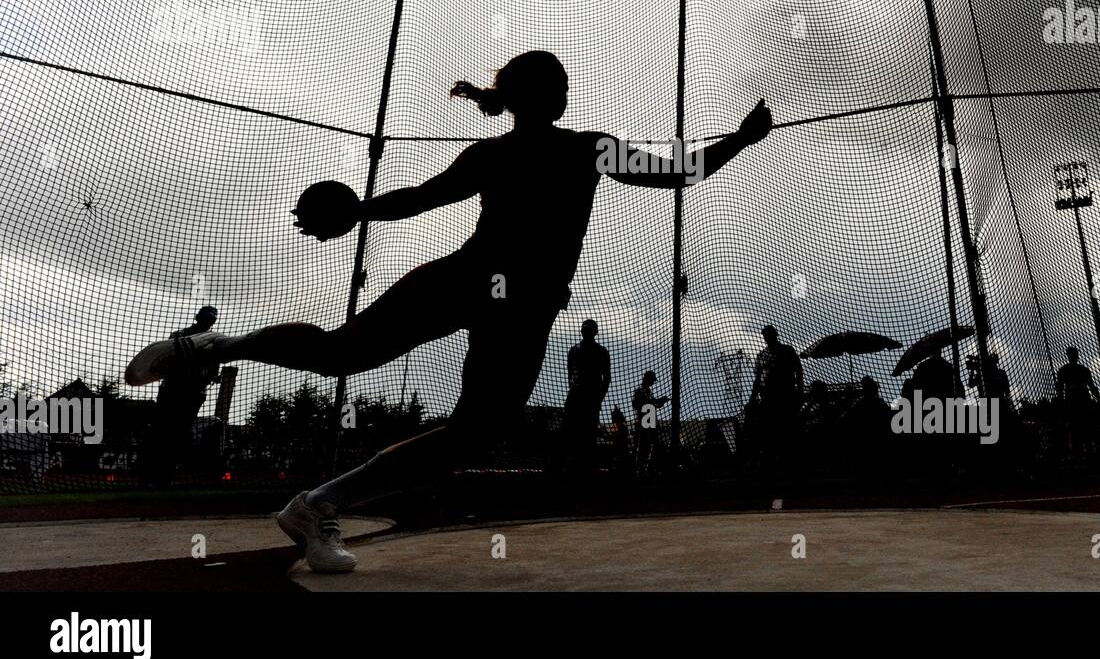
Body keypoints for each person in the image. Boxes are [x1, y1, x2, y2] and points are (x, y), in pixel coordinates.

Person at [124, 51, 772, 572]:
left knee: (441, 412)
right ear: (542, 96)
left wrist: (358, 211)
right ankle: (213, 349)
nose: (568, 92)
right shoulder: (580, 148)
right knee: (366, 365)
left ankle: (315, 501)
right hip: (490, 289)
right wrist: (740, 140)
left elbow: (419, 199)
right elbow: (676, 171)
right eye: (562, 83)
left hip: (498, 295)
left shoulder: (547, 150)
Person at [145, 305, 220, 485]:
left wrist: (204, 379)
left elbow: (212, 369)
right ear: (198, 318)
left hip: (186, 392)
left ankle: (163, 474)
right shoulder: (186, 337)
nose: (208, 322)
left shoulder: (209, 340)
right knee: (166, 430)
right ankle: (155, 473)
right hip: (177, 391)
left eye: (210, 319)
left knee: (174, 431)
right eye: (206, 318)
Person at [560, 319, 610, 473]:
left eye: (588, 329)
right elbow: (605, 378)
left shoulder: (577, 350)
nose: (585, 332)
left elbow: (606, 378)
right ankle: (576, 464)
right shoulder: (579, 350)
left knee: (584, 431)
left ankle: (581, 465)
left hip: (585, 397)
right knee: (576, 430)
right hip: (583, 396)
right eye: (585, 329)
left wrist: (597, 397)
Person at [752, 325, 804, 466]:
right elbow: (757, 379)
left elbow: (798, 371)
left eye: (769, 335)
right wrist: (753, 397)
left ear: (775, 335)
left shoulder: (787, 350)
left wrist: (800, 391)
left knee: (787, 427)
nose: (767, 338)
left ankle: (790, 458)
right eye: (765, 335)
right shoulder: (763, 355)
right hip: (770, 397)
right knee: (773, 429)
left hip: (786, 395)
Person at [631, 371, 669, 477]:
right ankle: (642, 470)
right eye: (652, 380)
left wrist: (657, 403)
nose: (653, 382)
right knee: (645, 445)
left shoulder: (646, 391)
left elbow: (647, 404)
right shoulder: (641, 391)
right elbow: (639, 405)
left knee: (650, 445)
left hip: (649, 420)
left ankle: (646, 469)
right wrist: (656, 402)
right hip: (645, 421)